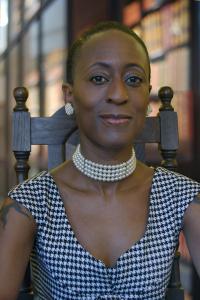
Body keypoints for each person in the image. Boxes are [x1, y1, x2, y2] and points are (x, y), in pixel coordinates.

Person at [0, 21, 200, 300]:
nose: (118, 94)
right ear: (69, 95)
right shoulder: (29, 202)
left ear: (147, 94)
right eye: (98, 79)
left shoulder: (182, 196)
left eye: (133, 80)